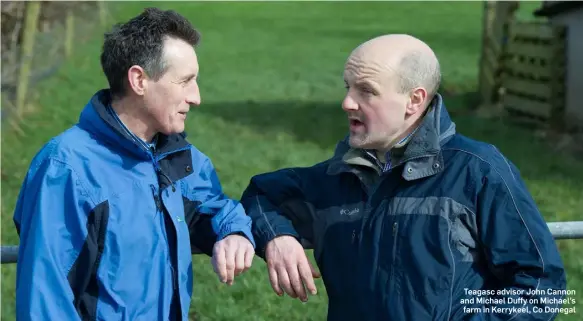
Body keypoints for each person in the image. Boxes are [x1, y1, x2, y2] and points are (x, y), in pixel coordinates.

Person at [240, 34, 567, 320]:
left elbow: (540, 286)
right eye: (347, 87)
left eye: (366, 91)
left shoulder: (479, 171)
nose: (346, 102)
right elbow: (261, 194)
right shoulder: (337, 176)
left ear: (415, 100)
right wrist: (278, 238)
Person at [13, 7, 255, 321]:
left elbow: (208, 205)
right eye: (185, 81)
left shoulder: (174, 155)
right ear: (139, 80)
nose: (196, 97)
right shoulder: (66, 170)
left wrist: (233, 232)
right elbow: (45, 304)